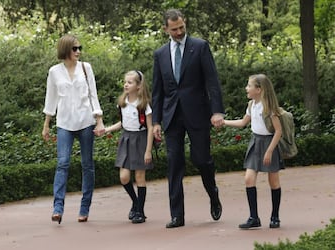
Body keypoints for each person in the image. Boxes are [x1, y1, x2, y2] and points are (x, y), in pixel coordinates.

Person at [152, 9, 224, 228]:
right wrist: (155, 121)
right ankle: (177, 215)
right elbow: (157, 91)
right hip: (171, 116)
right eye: (174, 29)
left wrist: (217, 111)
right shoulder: (160, 54)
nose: (179, 32)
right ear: (166, 29)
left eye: (182, 27)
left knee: (201, 160)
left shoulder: (200, 47)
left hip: (198, 113)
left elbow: (212, 81)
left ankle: (213, 194)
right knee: (174, 163)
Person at [42, 34, 104, 224]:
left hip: (86, 121)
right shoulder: (54, 72)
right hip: (64, 124)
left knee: (87, 165)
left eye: (80, 48)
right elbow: (51, 99)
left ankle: (84, 208)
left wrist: (99, 120)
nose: (78, 51)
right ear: (65, 50)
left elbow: (93, 95)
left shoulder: (86, 68)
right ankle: (57, 208)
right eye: (74, 48)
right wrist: (46, 124)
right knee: (62, 163)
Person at [222, 74, 283, 229]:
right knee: (249, 179)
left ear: (259, 89)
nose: (246, 88)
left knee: (273, 181)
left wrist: (270, 151)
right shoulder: (251, 105)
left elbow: (278, 131)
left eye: (249, 86)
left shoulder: (269, 107)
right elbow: (243, 123)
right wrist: (224, 122)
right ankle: (253, 217)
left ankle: (275, 217)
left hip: (269, 143)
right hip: (255, 143)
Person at [103, 70, 154, 224]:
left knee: (139, 177)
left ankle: (140, 211)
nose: (126, 84)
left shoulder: (144, 105)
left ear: (138, 86)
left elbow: (151, 127)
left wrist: (148, 151)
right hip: (126, 138)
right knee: (124, 177)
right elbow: (122, 123)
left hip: (141, 139)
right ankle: (135, 202)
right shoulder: (122, 102)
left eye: (130, 82)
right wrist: (107, 129)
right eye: (125, 82)